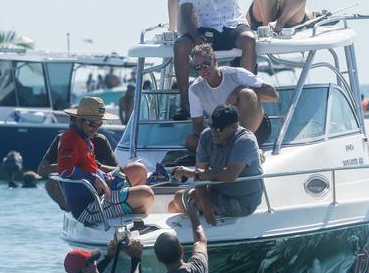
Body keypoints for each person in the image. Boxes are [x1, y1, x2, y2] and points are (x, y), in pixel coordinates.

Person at [172, 0, 256, 120]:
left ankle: (247, 98)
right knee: (180, 45)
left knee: (249, 40)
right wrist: (194, 36)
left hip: (232, 24)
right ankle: (185, 104)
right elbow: (185, 15)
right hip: (207, 28)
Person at [57, 96, 154, 225]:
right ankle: (135, 223)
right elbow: (65, 169)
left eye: (99, 124)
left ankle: (133, 214)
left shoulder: (82, 137)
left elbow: (89, 168)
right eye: (92, 124)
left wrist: (104, 177)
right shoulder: (70, 139)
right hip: (89, 207)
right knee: (146, 194)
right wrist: (95, 178)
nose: (95, 129)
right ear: (79, 119)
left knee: (139, 169)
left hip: (99, 193)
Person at [170, 104, 263, 225]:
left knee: (179, 198)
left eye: (219, 128)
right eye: (212, 126)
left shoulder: (246, 141)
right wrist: (205, 204)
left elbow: (229, 175)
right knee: (176, 202)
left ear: (234, 127)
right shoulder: (206, 136)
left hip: (243, 201)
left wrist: (194, 174)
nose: (214, 132)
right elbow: (199, 174)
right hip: (217, 193)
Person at [185, 44, 278, 153]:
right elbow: (197, 124)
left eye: (206, 65)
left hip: (256, 129)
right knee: (190, 141)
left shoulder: (237, 74)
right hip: (224, 133)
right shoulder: (195, 89)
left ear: (215, 60)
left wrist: (239, 90)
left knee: (247, 93)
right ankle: (232, 152)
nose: (203, 70)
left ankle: (243, 146)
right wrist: (212, 141)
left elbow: (273, 96)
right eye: (198, 67)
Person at [134, 197, 207, 273]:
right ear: (182, 250)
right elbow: (200, 239)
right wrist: (193, 215)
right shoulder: (199, 267)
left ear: (159, 259)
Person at [38, 118, 118, 210]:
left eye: (98, 125)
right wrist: (73, 165)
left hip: (98, 185)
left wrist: (97, 170)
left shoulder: (100, 140)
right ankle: (71, 209)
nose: (95, 128)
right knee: (50, 184)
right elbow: (42, 170)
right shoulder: (64, 139)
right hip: (75, 187)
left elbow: (114, 168)